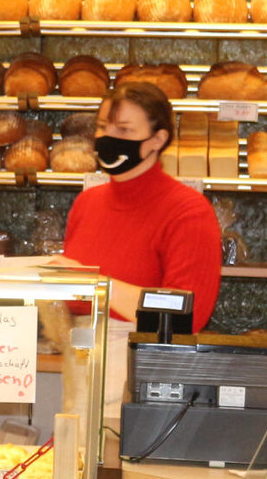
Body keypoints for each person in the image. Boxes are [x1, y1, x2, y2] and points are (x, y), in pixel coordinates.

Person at [59, 80, 223, 416]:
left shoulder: (188, 211)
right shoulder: (87, 203)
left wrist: (97, 285)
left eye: (124, 128)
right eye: (103, 127)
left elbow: (188, 312)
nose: (107, 137)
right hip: (79, 375)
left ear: (157, 139)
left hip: (143, 380)